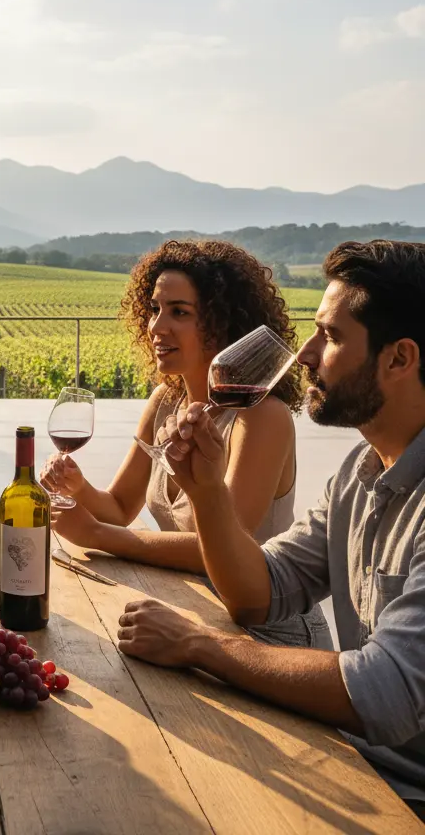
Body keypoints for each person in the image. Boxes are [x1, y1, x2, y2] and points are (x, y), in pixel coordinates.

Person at [117, 240, 425, 813]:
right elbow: (259, 593)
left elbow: (385, 693)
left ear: (399, 359)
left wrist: (197, 644)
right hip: (352, 760)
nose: (304, 355)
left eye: (330, 337)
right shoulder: (357, 478)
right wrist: (207, 491)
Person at [40, 239, 331, 648]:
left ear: (223, 322)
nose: (157, 327)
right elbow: (121, 508)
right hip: (191, 616)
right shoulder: (166, 401)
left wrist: (97, 534)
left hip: (271, 632)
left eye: (179, 312)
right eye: (155, 309)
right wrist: (79, 489)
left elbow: (219, 548)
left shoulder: (262, 417)